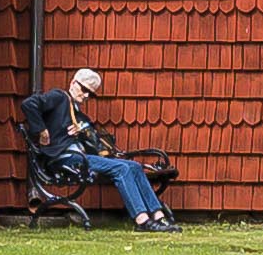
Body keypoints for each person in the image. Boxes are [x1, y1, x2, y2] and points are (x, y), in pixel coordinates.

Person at [56, 67, 175, 230]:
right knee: (122, 168)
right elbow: (31, 106)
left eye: (90, 93)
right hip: (69, 159)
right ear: (73, 83)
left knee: (134, 166)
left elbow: (91, 143)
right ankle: (142, 220)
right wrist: (42, 132)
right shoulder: (57, 102)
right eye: (84, 89)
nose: (85, 96)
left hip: (85, 157)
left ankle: (158, 215)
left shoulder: (80, 115)